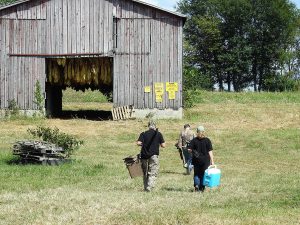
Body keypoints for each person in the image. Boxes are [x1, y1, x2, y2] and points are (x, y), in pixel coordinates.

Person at [136, 120, 166, 192]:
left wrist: (144, 144)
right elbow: (163, 145)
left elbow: (138, 143)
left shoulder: (143, 133)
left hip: (144, 155)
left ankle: (146, 187)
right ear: (155, 126)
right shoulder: (158, 134)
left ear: (148, 126)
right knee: (153, 171)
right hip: (154, 156)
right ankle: (150, 186)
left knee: (145, 172)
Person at [188, 125, 214, 192]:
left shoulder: (194, 140)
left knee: (196, 173)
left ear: (197, 132)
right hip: (205, 161)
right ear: (204, 131)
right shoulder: (207, 140)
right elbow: (210, 151)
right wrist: (212, 161)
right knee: (203, 174)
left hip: (196, 160)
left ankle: (196, 185)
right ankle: (202, 188)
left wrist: (193, 151)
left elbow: (189, 150)